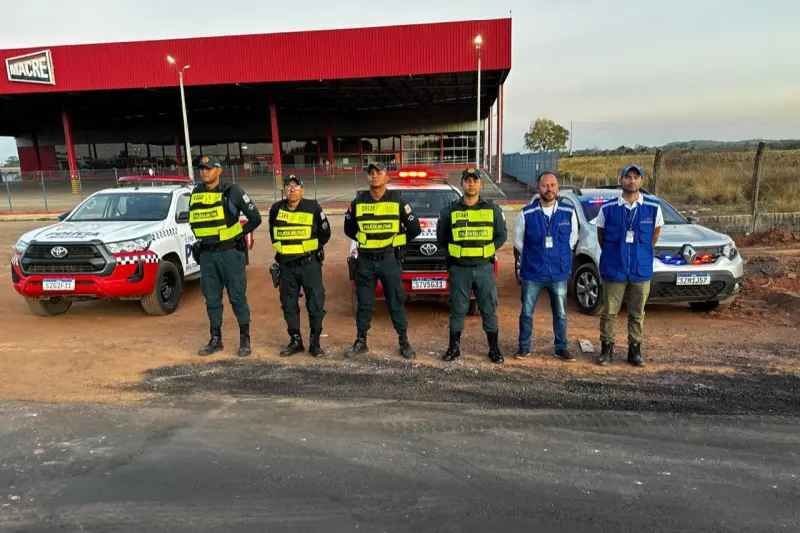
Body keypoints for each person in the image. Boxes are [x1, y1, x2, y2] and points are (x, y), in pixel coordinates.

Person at [343, 161, 422, 359]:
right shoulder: (358, 202)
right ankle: (361, 341)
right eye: (371, 173)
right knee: (365, 303)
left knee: (396, 302)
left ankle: (404, 342)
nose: (374, 175)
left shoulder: (398, 201)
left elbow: (414, 229)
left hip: (389, 260)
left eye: (379, 172)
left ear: (387, 177)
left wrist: (395, 242)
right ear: (367, 178)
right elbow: (348, 228)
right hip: (365, 261)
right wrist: (365, 240)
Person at [189, 155, 262, 357]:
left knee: (237, 298)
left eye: (208, 168)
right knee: (211, 299)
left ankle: (244, 340)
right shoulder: (196, 192)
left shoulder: (232, 192)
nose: (204, 171)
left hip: (230, 255)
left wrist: (237, 234)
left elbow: (255, 218)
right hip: (207, 256)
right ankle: (215, 339)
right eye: (201, 168)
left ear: (219, 170)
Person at [595, 164, 664, 367]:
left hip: (640, 269)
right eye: (628, 177)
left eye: (636, 177)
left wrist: (640, 256)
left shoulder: (652, 208)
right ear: (621, 180)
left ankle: (634, 350)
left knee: (637, 313)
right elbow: (602, 237)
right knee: (609, 312)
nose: (631, 181)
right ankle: (606, 348)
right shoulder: (607, 209)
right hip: (614, 267)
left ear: (641, 181)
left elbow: (654, 237)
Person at [437, 168, 507, 364]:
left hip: (484, 268)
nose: (471, 184)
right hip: (459, 269)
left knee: (489, 309)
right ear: (462, 184)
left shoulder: (493, 210)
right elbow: (442, 238)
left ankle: (494, 349)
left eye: (474, 181)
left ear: (480, 184)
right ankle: (454, 348)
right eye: (467, 181)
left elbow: (501, 236)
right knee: (457, 310)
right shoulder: (449, 211)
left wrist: (485, 251)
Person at [513, 171, 579, 361]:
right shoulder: (527, 213)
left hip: (558, 271)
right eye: (544, 185)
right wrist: (535, 257)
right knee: (526, 311)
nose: (549, 189)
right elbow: (519, 241)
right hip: (533, 272)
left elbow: (572, 239)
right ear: (538, 188)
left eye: (552, 185)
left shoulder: (568, 212)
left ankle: (561, 347)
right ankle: (524, 346)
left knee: (560, 313)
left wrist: (560, 254)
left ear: (557, 187)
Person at [268, 175, 331, 357]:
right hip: (287, 266)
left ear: (302, 190)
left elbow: (325, 234)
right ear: (283, 190)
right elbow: (273, 234)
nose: (292, 190)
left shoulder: (313, 207)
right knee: (288, 304)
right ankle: (295, 341)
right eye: (289, 186)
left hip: (309, 265)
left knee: (316, 303)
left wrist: (310, 250)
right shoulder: (275, 209)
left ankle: (315, 343)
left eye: (296, 187)